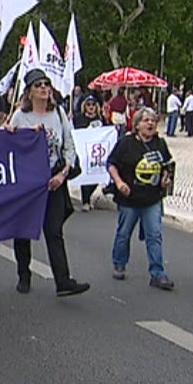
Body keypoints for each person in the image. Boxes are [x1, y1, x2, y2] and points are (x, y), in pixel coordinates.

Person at [5, 69, 90, 297]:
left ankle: (63, 281)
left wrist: (62, 174)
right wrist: (11, 133)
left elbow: (69, 147)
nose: (44, 88)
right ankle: (24, 274)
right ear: (29, 91)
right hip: (28, 182)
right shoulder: (20, 116)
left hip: (53, 179)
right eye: (38, 85)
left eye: (46, 84)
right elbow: (10, 146)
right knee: (23, 231)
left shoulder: (59, 113)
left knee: (54, 231)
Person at [107, 108, 175, 290]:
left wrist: (165, 178)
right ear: (137, 125)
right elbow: (111, 164)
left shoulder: (159, 143)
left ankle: (157, 273)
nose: (150, 123)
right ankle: (119, 263)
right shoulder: (126, 143)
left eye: (153, 120)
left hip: (152, 198)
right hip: (129, 198)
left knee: (155, 235)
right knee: (124, 234)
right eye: (146, 120)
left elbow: (167, 165)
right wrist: (119, 182)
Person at [73, 94, 104, 211]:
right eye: (88, 104)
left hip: (97, 153)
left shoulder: (101, 119)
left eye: (93, 105)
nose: (91, 107)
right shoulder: (78, 118)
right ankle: (85, 201)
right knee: (85, 175)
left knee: (96, 176)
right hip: (84, 152)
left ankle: (89, 196)